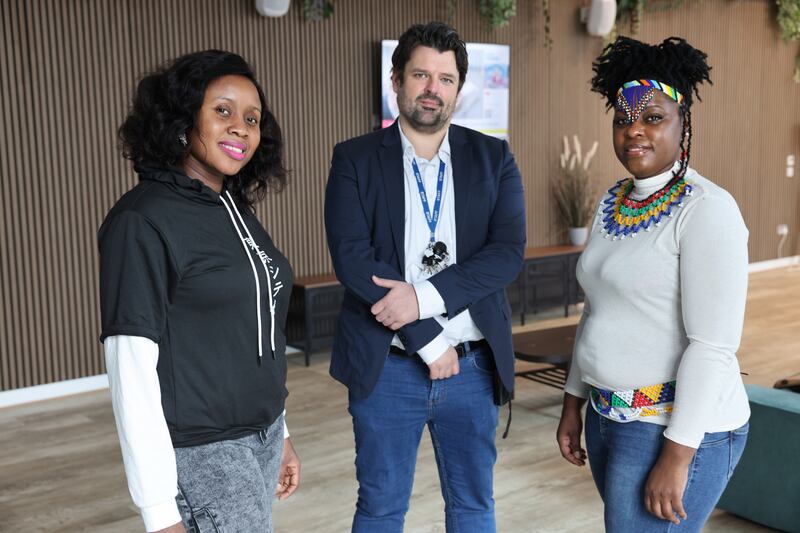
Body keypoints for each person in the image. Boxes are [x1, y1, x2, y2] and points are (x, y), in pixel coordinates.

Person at [324, 22, 525, 533]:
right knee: (381, 509)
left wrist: (423, 297)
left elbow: (506, 253)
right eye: (420, 74)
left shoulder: (493, 157)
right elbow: (352, 257)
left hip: (474, 368)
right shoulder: (354, 158)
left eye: (446, 78)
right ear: (397, 80)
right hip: (388, 367)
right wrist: (425, 336)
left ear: (459, 88)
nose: (432, 88)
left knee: (474, 506)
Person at [98, 50, 300, 533]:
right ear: (183, 118)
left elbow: (251, 330)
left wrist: (282, 431)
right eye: (223, 110)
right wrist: (159, 511)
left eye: (252, 118)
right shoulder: (142, 220)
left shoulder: (232, 207)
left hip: (261, 434)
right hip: (203, 451)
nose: (241, 128)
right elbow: (130, 365)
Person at [556, 37, 750, 532]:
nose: (633, 131)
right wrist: (573, 403)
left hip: (674, 428)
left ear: (683, 123)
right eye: (622, 120)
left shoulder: (707, 210)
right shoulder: (612, 200)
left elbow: (713, 345)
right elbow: (595, 311)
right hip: (607, 417)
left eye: (652, 117)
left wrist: (678, 456)